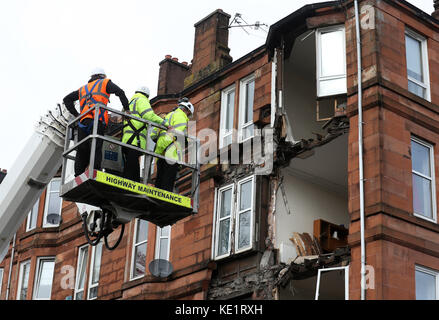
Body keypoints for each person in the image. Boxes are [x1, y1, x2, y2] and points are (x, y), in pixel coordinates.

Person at [63, 68, 129, 176]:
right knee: (96, 146)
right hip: (97, 120)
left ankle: (78, 175)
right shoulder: (105, 83)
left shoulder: (82, 89)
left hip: (83, 122)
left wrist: (76, 114)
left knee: (82, 149)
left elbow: (67, 99)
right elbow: (120, 92)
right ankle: (95, 172)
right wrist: (126, 109)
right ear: (102, 76)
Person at [122, 86, 167, 182]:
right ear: (147, 95)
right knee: (132, 164)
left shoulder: (130, 102)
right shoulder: (142, 100)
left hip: (127, 138)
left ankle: (132, 181)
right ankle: (132, 183)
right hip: (135, 139)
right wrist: (164, 123)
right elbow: (148, 115)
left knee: (130, 164)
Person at [151, 98, 194, 192]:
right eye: (188, 113)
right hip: (171, 148)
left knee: (160, 176)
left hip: (161, 149)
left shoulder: (167, 116)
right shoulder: (181, 115)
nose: (187, 116)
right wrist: (186, 140)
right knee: (169, 176)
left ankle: (158, 194)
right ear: (185, 109)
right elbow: (179, 131)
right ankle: (166, 196)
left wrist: (161, 142)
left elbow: (153, 134)